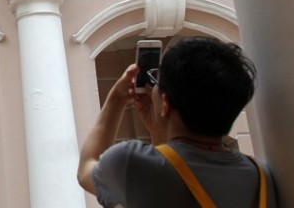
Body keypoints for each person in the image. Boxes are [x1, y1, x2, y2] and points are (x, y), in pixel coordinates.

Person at [77, 36, 277, 207]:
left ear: (165, 103)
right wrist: (159, 125)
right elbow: (175, 165)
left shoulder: (131, 162)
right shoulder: (261, 177)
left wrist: (116, 99)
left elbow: (87, 168)